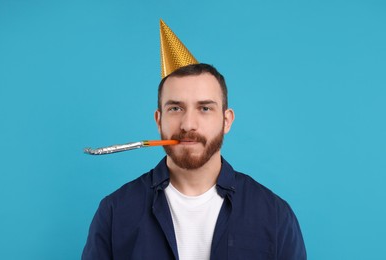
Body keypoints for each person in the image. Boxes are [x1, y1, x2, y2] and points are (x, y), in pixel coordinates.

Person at [82, 20, 306, 260]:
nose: (188, 124)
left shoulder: (274, 215)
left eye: (205, 109)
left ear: (226, 120)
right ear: (159, 120)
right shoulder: (115, 212)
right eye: (176, 108)